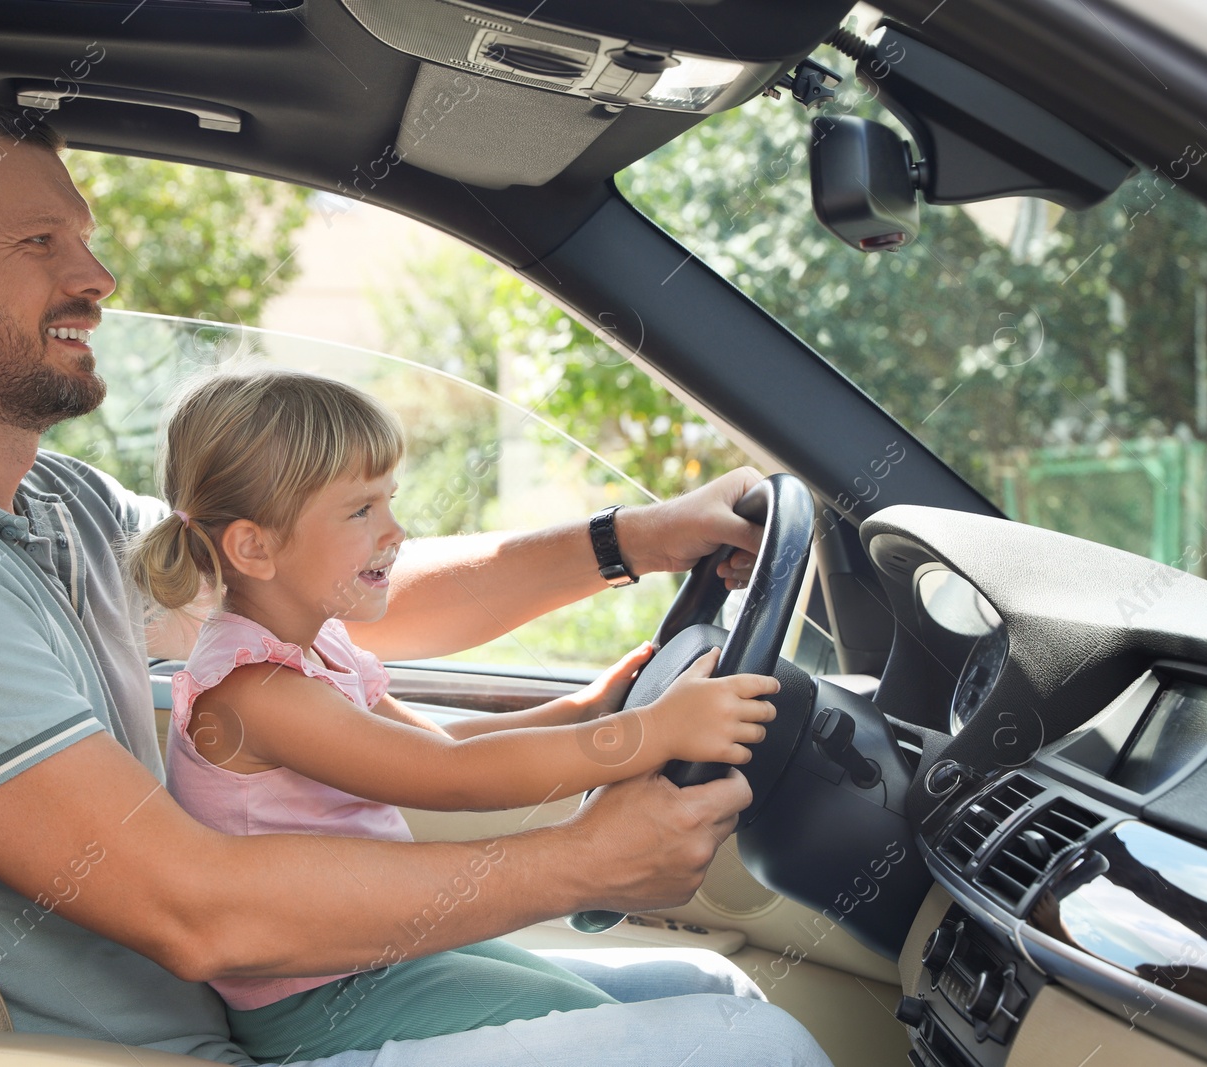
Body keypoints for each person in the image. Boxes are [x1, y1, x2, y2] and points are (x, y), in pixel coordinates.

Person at [0, 96, 833, 1066]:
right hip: (171, 1044)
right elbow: (197, 909)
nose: (95, 277)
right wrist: (582, 859)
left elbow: (305, 588)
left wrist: (631, 539)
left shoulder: (53, 502)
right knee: (759, 1041)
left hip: (237, 1015)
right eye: (39, 242)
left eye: (83, 238)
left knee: (710, 990)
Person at [127, 367, 783, 1061]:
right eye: (360, 512)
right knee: (596, 1025)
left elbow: (436, 742)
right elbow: (451, 776)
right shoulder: (255, 690)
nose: (396, 531)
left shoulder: (317, 643)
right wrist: (650, 732)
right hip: (318, 997)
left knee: (638, 1004)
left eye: (390, 502)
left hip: (382, 957)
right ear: (255, 547)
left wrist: (586, 708)